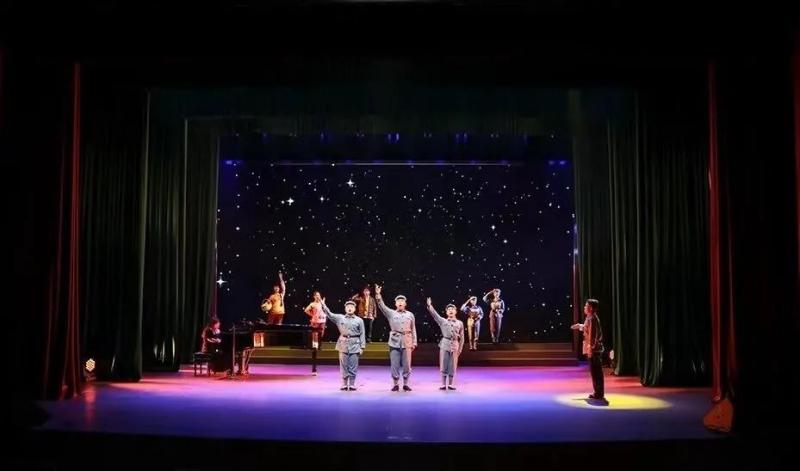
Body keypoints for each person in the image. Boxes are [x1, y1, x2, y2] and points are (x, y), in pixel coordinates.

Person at [375, 285, 417, 391]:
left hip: (407, 341)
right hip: (394, 341)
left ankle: (406, 383)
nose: (400, 302)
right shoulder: (391, 313)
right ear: (395, 304)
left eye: (402, 301)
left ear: (405, 303)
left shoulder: (410, 315)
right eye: (398, 301)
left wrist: (414, 342)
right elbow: (382, 306)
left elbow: (413, 329)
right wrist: (378, 295)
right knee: (394, 364)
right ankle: (395, 384)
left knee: (407, 364)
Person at [321, 299, 366, 391]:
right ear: (345, 308)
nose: (350, 308)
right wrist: (324, 306)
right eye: (348, 307)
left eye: (352, 307)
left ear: (355, 309)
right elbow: (330, 315)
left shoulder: (359, 320)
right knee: (343, 365)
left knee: (353, 365)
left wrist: (362, 347)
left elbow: (362, 333)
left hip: (355, 344)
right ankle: (344, 384)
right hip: (343, 343)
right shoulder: (340, 318)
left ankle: (352, 384)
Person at [571, 299, 606, 402]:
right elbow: (588, 329)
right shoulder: (590, 318)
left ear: (590, 308)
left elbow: (593, 335)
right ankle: (597, 392)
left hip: (594, 350)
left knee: (596, 372)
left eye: (586, 306)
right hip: (593, 349)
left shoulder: (592, 319)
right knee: (594, 372)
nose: (584, 307)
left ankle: (599, 393)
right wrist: (580, 326)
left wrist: (591, 348)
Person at [426, 297, 464, 390]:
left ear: (455, 311)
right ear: (446, 312)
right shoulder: (443, 321)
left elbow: (462, 337)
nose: (450, 310)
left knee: (453, 365)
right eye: (449, 309)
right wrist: (430, 306)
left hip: (455, 345)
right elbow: (435, 315)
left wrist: (460, 349)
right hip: (445, 344)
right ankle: (443, 384)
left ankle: (450, 384)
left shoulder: (460, 323)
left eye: (452, 309)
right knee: (443, 364)